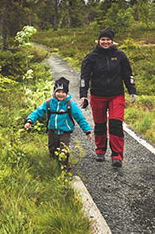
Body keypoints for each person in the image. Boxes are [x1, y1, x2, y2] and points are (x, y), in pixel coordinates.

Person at [79, 28, 136, 168]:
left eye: (108, 40)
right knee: (100, 125)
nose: (105, 42)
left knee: (116, 124)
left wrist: (132, 90)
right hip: (97, 95)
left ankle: (117, 156)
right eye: (103, 39)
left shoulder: (120, 55)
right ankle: (100, 151)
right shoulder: (91, 57)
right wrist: (82, 95)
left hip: (116, 95)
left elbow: (128, 74)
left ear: (112, 41)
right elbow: (84, 78)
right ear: (98, 41)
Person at [24, 77, 92, 168]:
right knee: (52, 150)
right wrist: (30, 121)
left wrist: (87, 131)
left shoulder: (70, 105)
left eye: (63, 92)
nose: (61, 94)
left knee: (63, 151)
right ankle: (53, 167)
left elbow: (80, 118)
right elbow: (38, 111)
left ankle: (64, 168)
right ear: (54, 92)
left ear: (66, 93)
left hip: (65, 133)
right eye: (58, 91)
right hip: (52, 131)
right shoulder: (49, 103)